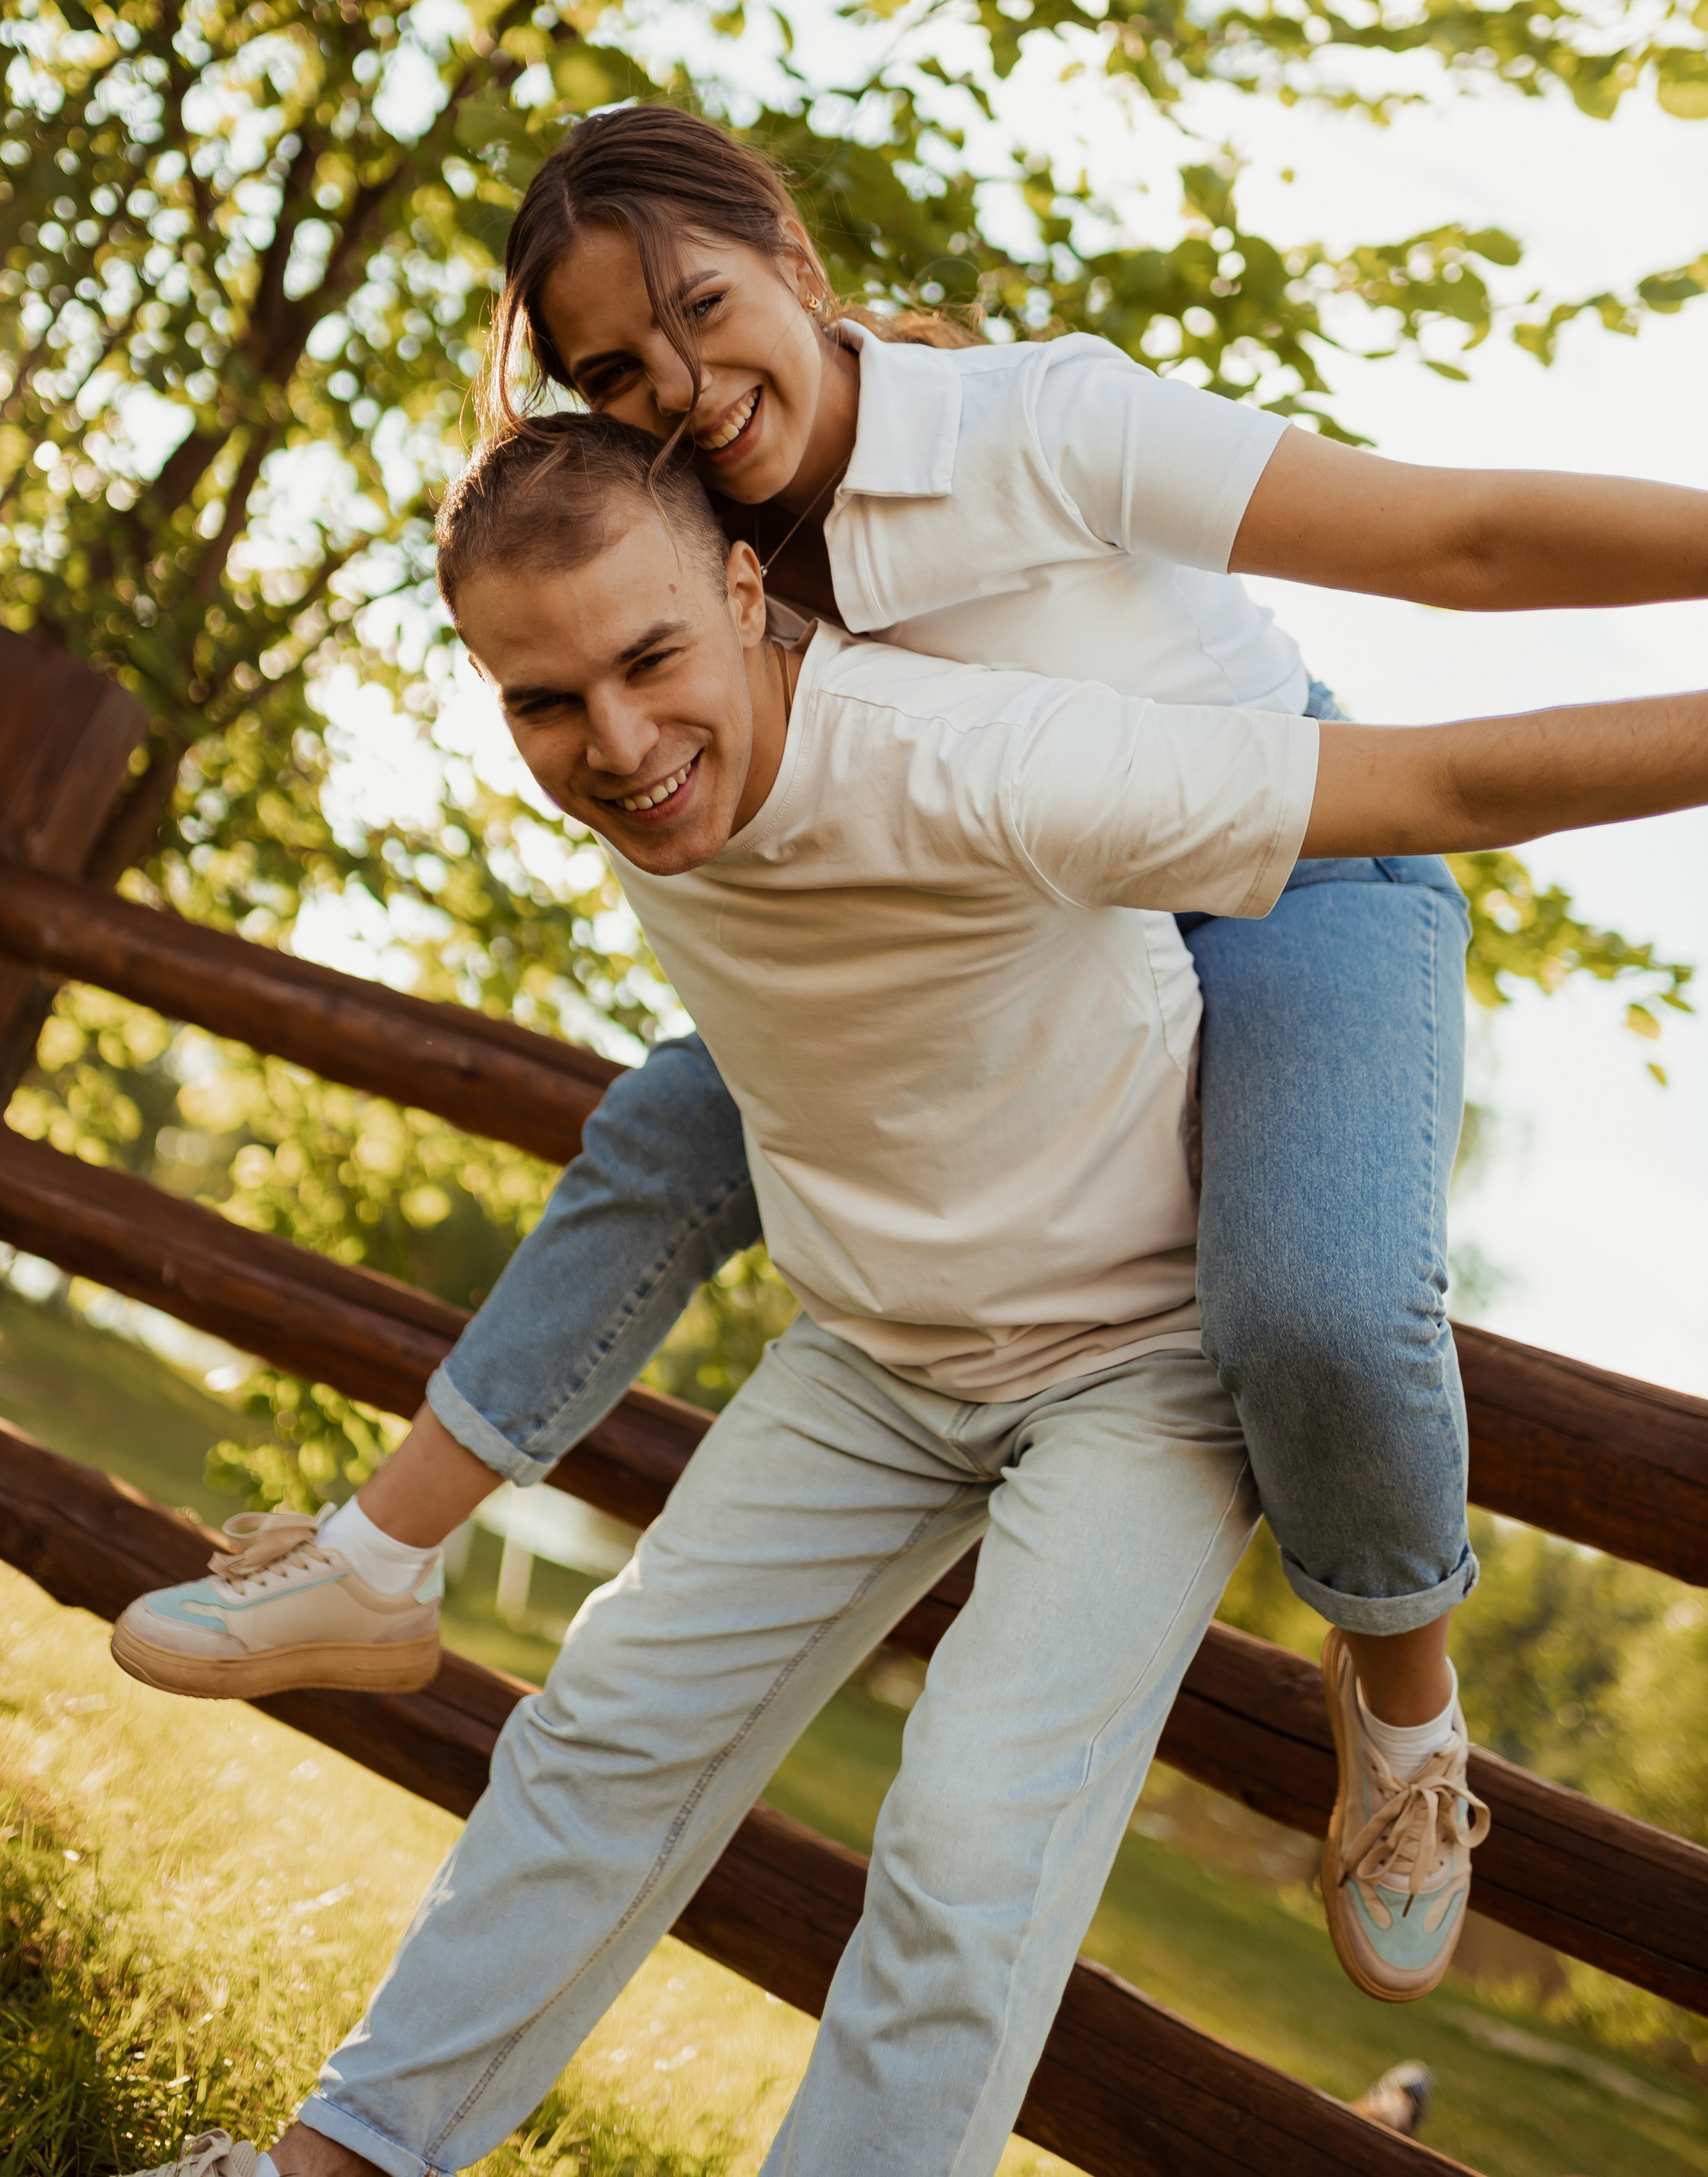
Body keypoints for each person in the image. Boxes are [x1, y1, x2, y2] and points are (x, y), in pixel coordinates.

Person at [129, 414, 1708, 2177]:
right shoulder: (652, 771)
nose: (621, 745)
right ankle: (339, 2161)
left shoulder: (980, 754)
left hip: (1136, 1375)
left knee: (968, 1847)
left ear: (744, 593)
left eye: (651, 662)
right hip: (869, 1352)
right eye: (546, 702)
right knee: (602, 1729)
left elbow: (1432, 794)